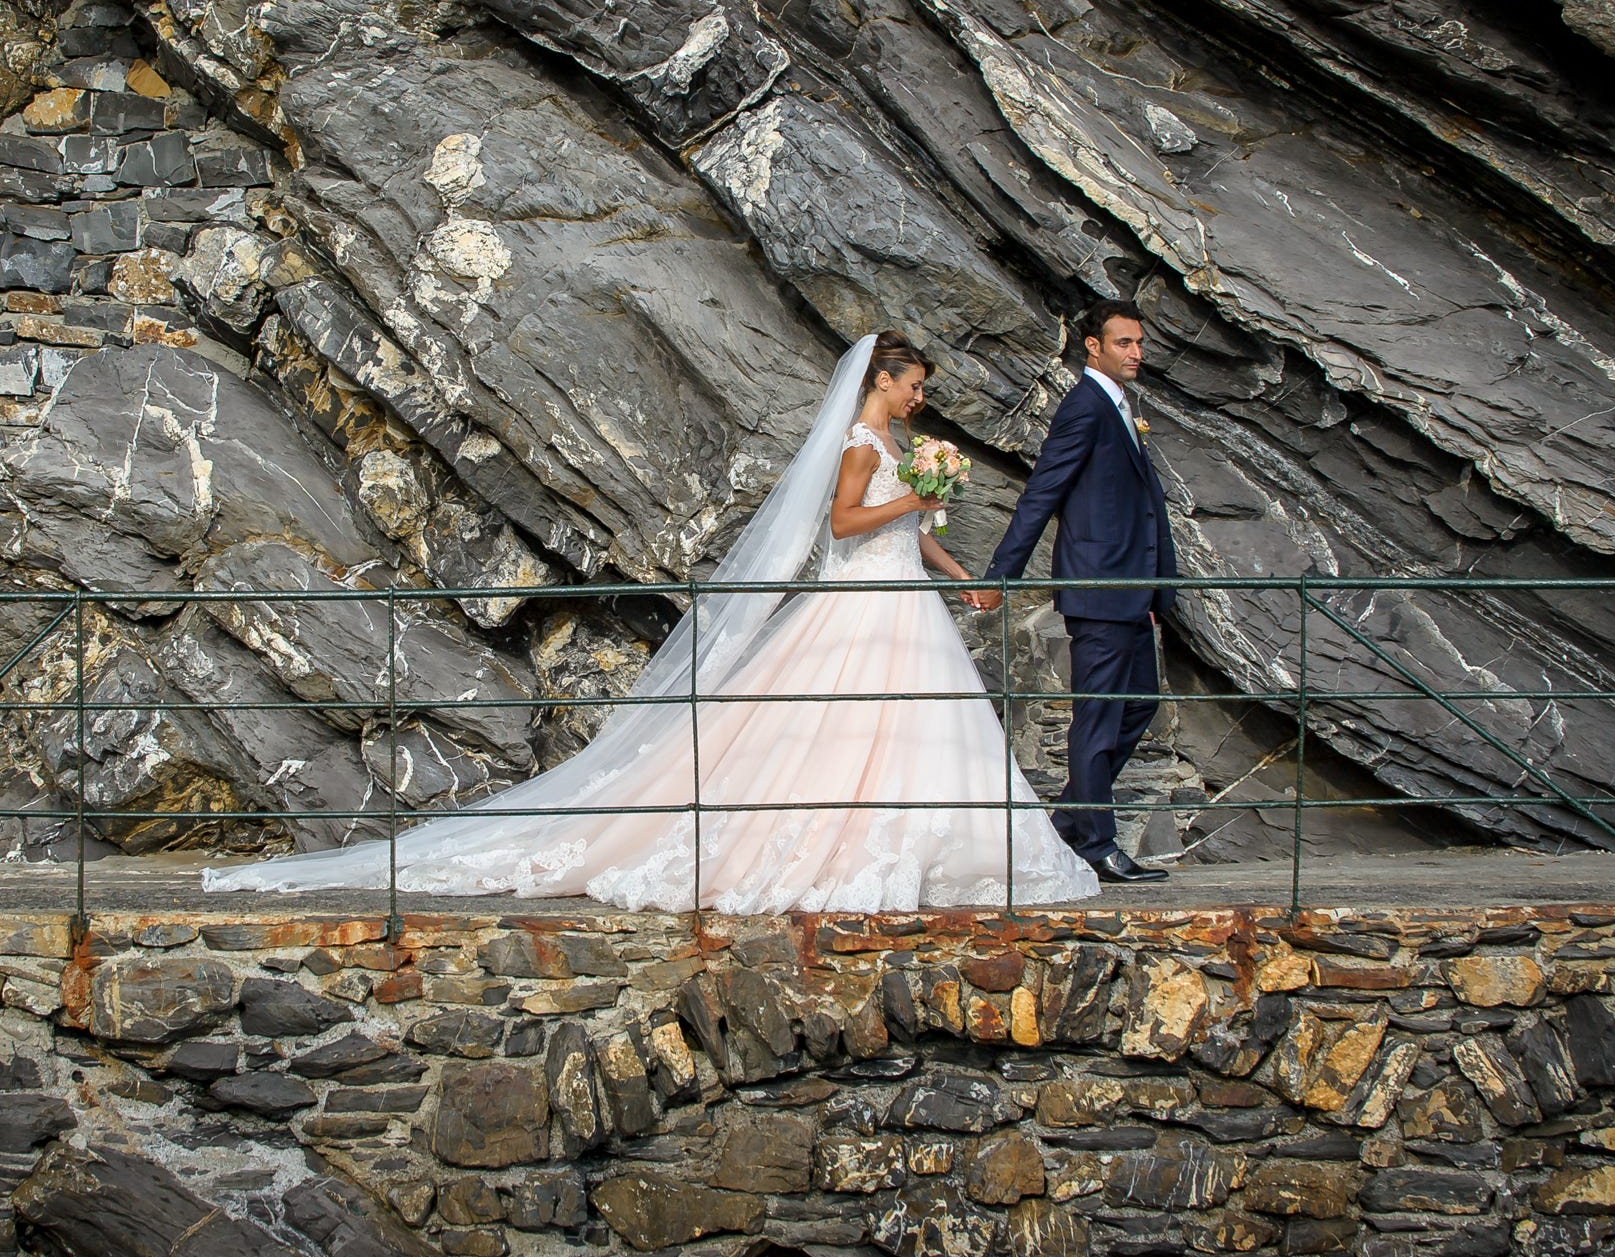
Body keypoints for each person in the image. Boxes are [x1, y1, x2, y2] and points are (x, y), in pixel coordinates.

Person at [204, 331, 1096, 911]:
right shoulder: (863, 447)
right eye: (914, 386)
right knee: (831, 737)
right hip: (859, 605)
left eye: (921, 391)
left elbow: (911, 530)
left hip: (904, 602)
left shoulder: (902, 449)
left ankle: (912, 849)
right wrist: (921, 502)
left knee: (908, 737)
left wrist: (964, 573)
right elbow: (845, 527)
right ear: (883, 382)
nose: (920, 399)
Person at [966, 299, 1177, 885]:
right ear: (1093, 346)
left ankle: (1070, 822)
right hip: (1099, 588)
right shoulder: (1084, 406)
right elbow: (1042, 493)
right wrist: (1000, 576)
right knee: (1099, 717)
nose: (1136, 353)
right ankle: (1098, 844)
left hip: (1134, 590)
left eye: (1139, 343)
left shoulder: (1119, 405)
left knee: (1137, 706)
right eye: (1123, 343)